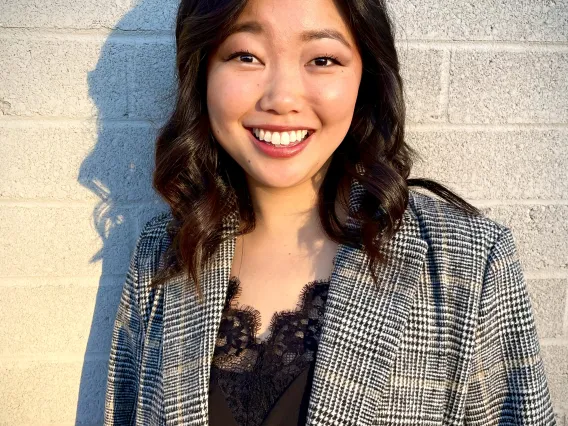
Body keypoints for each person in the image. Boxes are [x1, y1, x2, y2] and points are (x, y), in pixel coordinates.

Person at [103, 0, 556, 424]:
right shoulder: (165, 251)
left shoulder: (470, 262)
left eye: (322, 59)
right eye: (245, 55)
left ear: (366, 77)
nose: (281, 98)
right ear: (201, 71)